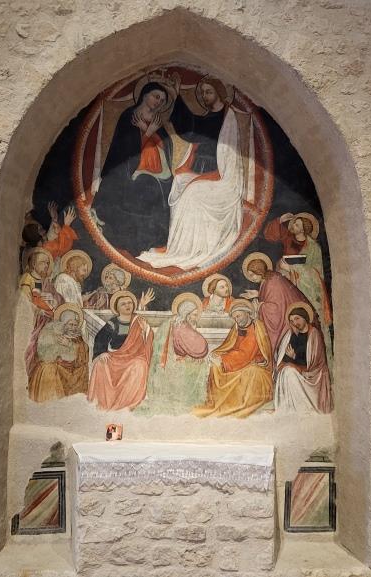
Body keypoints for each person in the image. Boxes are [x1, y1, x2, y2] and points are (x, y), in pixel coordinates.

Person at [137, 76, 250, 270]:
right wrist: (177, 96)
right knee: (178, 182)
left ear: (219, 93)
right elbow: (191, 128)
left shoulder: (227, 117)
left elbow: (227, 162)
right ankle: (175, 245)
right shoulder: (208, 116)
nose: (205, 96)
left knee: (191, 194)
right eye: (202, 92)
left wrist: (200, 179)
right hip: (202, 172)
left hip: (221, 176)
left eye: (209, 92)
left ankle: (187, 249)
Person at [93, 81, 176, 256]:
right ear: (144, 94)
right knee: (139, 189)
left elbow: (166, 145)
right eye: (156, 96)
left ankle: (153, 240)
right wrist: (148, 132)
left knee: (160, 191)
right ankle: (128, 240)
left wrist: (150, 130)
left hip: (158, 169)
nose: (159, 102)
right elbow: (125, 149)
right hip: (131, 168)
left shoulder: (156, 121)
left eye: (162, 100)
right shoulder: (129, 116)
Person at [193, 299, 273, 418]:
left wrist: (222, 360)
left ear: (247, 313)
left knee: (246, 373)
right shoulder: (237, 328)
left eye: (238, 316)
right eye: (235, 317)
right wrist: (216, 354)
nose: (237, 320)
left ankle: (229, 404)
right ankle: (217, 402)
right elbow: (228, 345)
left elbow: (244, 354)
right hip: (238, 362)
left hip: (256, 366)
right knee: (215, 367)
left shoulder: (255, 328)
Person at [136, 293, 210, 415]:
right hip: (176, 364)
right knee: (204, 366)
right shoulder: (182, 327)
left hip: (170, 362)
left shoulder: (173, 322)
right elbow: (200, 349)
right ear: (186, 314)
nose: (196, 317)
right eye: (194, 315)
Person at [88, 289, 156, 411]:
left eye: (129, 303)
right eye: (123, 304)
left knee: (140, 365)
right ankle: (106, 401)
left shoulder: (138, 321)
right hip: (117, 356)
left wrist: (146, 329)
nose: (127, 306)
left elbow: (148, 336)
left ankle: (129, 401)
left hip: (134, 356)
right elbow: (100, 338)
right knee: (100, 364)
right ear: (117, 308)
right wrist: (101, 352)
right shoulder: (113, 323)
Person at [263, 212, 332, 326]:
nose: (292, 225)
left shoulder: (313, 247)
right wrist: (280, 219)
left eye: (296, 225)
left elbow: (317, 272)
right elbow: (269, 235)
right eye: (294, 223)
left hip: (305, 284)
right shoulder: (287, 237)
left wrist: (292, 268)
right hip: (286, 277)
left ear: (303, 230)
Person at [240, 252, 318, 350]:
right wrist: (258, 294)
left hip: (288, 323)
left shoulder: (272, 281)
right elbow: (275, 297)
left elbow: (276, 309)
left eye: (252, 275)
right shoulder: (269, 279)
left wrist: (259, 306)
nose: (252, 278)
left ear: (258, 270)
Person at [273, 303, 332, 414]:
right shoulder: (292, 335)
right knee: (286, 371)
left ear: (305, 317)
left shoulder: (314, 334)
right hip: (298, 371)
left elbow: (313, 362)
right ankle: (291, 407)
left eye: (297, 318)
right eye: (292, 321)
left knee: (289, 372)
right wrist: (291, 359)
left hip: (314, 374)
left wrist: (294, 357)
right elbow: (284, 358)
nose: (295, 323)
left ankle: (301, 408)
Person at [28, 304, 89, 402]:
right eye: (70, 324)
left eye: (75, 325)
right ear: (63, 324)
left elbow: (84, 352)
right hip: (56, 364)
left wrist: (69, 344)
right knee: (47, 368)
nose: (73, 328)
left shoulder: (77, 337)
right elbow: (44, 352)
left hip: (73, 369)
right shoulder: (52, 333)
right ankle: (49, 400)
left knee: (82, 368)